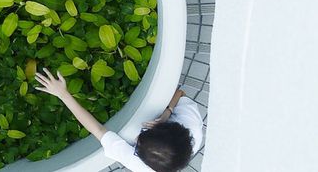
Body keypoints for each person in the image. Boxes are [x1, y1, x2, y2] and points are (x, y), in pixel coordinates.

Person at [34, 68, 203, 172]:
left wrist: (63, 94)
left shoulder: (139, 165)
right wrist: (167, 112)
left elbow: (98, 130)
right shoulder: (192, 126)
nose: (136, 139)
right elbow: (180, 94)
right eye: (144, 136)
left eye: (137, 147)